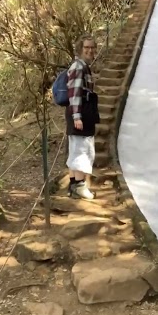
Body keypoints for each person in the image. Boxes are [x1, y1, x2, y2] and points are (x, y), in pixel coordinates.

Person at [65, 35, 100, 199]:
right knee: (82, 150)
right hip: (80, 113)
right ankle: (79, 186)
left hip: (79, 113)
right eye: (87, 47)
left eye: (92, 47)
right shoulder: (79, 67)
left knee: (75, 149)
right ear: (80, 48)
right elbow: (74, 93)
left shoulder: (82, 66)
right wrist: (77, 116)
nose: (90, 50)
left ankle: (73, 185)